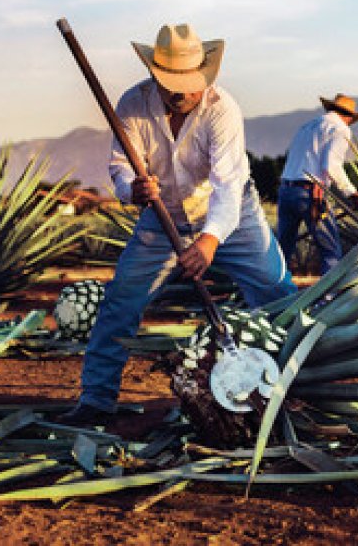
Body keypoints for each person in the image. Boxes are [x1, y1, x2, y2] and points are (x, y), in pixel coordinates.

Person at [60, 23, 297, 426]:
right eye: (172, 84)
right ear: (155, 75)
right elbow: (120, 166)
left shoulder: (222, 109)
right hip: (161, 217)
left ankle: (299, 386)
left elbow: (227, 186)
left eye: (189, 84)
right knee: (121, 302)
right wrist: (132, 189)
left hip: (232, 217)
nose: (182, 93)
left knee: (278, 294)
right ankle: (96, 399)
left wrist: (209, 241)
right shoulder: (133, 104)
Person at [277, 93, 358, 275]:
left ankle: (273, 290)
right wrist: (352, 193)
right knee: (330, 251)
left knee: (282, 251)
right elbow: (331, 166)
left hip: (286, 191)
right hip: (310, 195)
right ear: (348, 117)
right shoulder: (340, 129)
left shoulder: (307, 127)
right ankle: (330, 292)